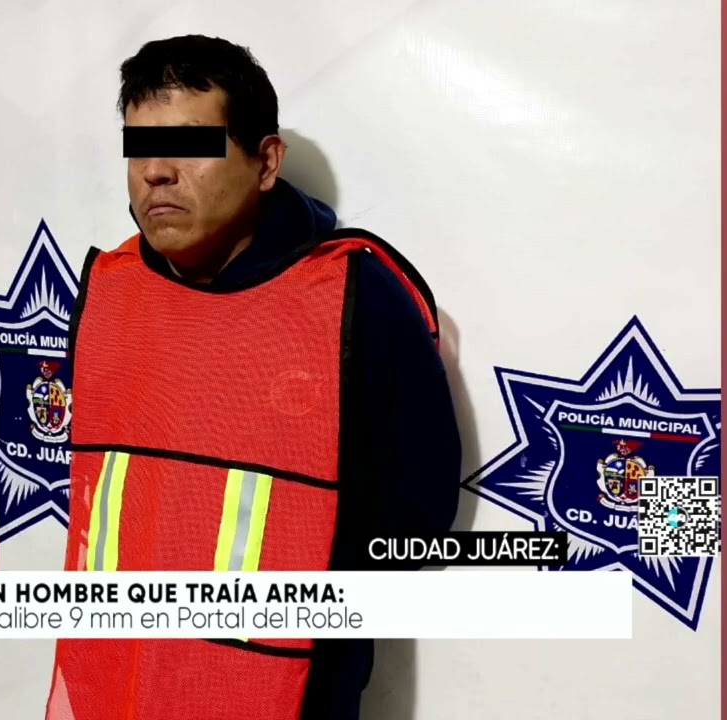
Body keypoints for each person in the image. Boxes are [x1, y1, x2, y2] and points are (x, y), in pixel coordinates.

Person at [46, 34, 462, 720]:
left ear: (265, 162)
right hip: (112, 686)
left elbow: (414, 515)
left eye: (191, 147)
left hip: (282, 697)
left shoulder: (355, 297)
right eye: (140, 149)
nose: (156, 172)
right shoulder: (108, 291)